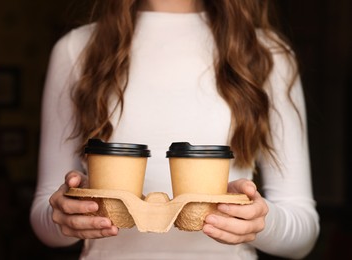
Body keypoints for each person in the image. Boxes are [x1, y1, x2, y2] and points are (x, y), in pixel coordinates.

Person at [30, 0, 320, 259]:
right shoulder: (76, 49)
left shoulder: (266, 54)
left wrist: (259, 222)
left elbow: (303, 231)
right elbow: (45, 216)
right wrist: (64, 217)